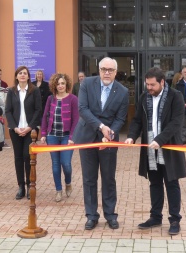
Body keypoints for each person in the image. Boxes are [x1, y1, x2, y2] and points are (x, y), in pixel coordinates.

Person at [125, 67, 186, 235]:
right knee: (155, 183)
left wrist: (160, 140)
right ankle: (155, 217)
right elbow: (137, 120)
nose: (149, 88)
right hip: (150, 149)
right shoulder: (144, 97)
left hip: (168, 146)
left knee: (172, 183)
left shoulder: (176, 96)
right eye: (147, 84)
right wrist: (131, 136)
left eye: (152, 85)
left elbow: (176, 122)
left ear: (162, 82)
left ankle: (174, 219)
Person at [73, 57, 129, 230]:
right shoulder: (87, 84)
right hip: (87, 136)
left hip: (109, 141)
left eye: (110, 70)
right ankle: (91, 215)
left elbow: (120, 118)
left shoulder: (123, 91)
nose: (107, 72)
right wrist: (102, 126)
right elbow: (83, 109)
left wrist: (109, 134)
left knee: (108, 178)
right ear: (99, 70)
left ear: (115, 72)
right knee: (89, 178)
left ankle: (110, 215)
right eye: (104, 69)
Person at [40, 73, 79, 202]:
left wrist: (72, 137)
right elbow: (45, 116)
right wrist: (44, 134)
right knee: (56, 164)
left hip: (67, 136)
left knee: (66, 164)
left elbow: (76, 120)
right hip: (53, 136)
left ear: (66, 84)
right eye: (58, 83)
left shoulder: (73, 99)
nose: (60, 86)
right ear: (54, 85)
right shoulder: (51, 99)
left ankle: (68, 182)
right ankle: (58, 190)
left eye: (63, 83)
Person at [5, 66, 42, 200]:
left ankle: (29, 186)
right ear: (16, 76)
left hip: (30, 131)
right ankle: (21, 186)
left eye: (25, 73)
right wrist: (14, 127)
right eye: (20, 73)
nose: (22, 75)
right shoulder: (11, 91)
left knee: (28, 157)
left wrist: (29, 127)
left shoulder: (35, 91)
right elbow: (8, 111)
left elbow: (38, 110)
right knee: (18, 158)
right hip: (15, 130)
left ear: (28, 76)